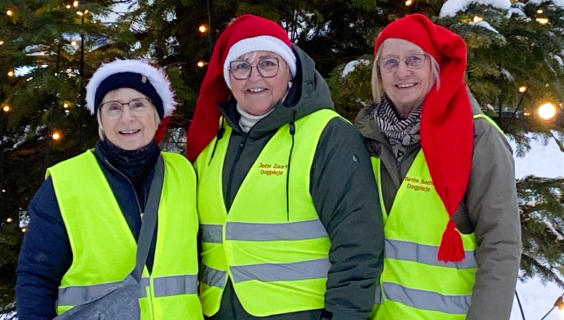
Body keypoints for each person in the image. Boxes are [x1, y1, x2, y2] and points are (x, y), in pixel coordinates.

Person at [187, 14, 384, 320]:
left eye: (268, 63)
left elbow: (358, 244)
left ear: (290, 72)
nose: (254, 77)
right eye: (241, 66)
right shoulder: (212, 143)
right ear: (228, 78)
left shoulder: (327, 134)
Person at [355, 14, 521, 320]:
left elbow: (501, 245)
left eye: (414, 59)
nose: (401, 71)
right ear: (379, 74)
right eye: (389, 62)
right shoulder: (365, 137)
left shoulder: (478, 138)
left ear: (435, 67)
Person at [16, 59, 203, 320]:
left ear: (157, 114)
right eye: (113, 107)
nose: (127, 118)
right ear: (100, 119)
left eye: (139, 104)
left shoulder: (184, 173)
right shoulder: (65, 182)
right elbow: (36, 278)